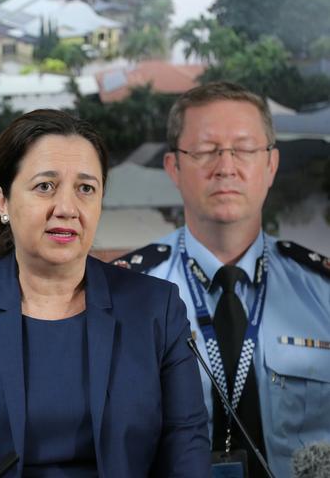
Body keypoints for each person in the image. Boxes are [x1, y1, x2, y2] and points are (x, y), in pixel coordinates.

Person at [0, 109, 211, 477]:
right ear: (2, 200)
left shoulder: (155, 309)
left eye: (85, 189)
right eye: (45, 186)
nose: (67, 208)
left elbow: (186, 453)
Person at [114, 81, 330, 478]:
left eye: (245, 149)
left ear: (271, 165)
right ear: (173, 168)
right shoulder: (122, 295)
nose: (226, 167)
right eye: (205, 150)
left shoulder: (323, 292)